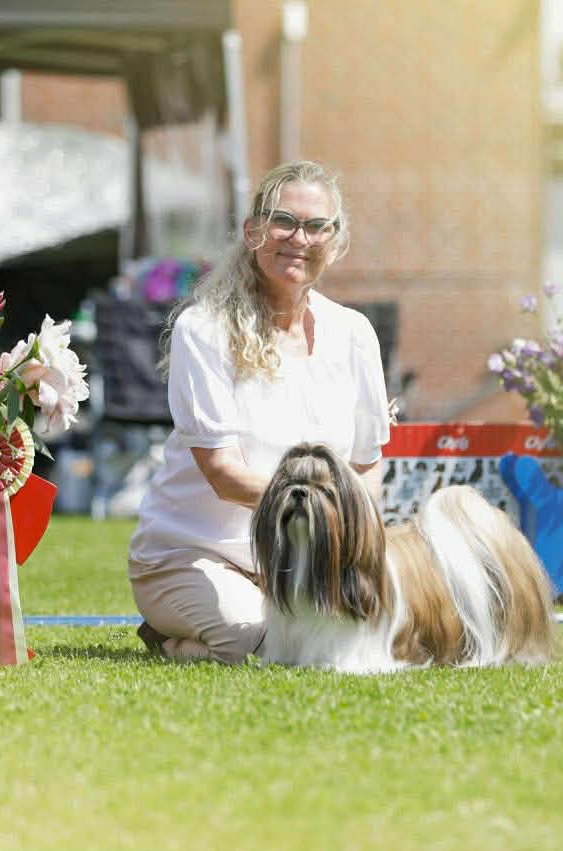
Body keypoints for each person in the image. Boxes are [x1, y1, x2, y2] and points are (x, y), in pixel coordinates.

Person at [127, 160, 391, 663]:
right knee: (262, 645)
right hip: (198, 554)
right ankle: (170, 637)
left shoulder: (355, 333)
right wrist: (318, 505)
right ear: (253, 232)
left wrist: (349, 537)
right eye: (283, 221)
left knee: (372, 638)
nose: (299, 238)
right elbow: (224, 475)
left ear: (335, 242)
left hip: (312, 556)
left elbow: (367, 463)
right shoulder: (203, 329)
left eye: (317, 226)